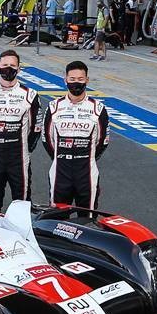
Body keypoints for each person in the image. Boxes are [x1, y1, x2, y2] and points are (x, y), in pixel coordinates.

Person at [0, 50, 41, 212]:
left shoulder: (30, 95)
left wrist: (25, 148)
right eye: (5, 65)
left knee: (22, 206)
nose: (8, 69)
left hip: (19, 159)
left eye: (12, 66)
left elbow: (36, 128)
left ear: (19, 69)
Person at [43, 60, 110, 209]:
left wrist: (88, 157)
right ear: (65, 80)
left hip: (87, 172)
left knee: (88, 219)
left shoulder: (98, 108)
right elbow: (47, 139)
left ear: (87, 80)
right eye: (72, 79)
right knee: (56, 219)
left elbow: (102, 141)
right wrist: (60, 156)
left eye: (80, 79)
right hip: (60, 171)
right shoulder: (54, 107)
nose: (76, 83)